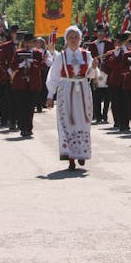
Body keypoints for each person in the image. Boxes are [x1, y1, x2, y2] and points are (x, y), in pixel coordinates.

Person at [46, 26, 97, 170]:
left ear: (80, 39)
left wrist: (93, 67)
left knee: (83, 121)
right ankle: (70, 158)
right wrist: (50, 95)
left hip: (83, 90)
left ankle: (82, 153)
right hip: (66, 91)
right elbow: (54, 76)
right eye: (71, 37)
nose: (74, 40)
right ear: (66, 40)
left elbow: (92, 75)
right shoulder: (61, 56)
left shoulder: (86, 55)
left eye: (76, 37)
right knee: (67, 122)